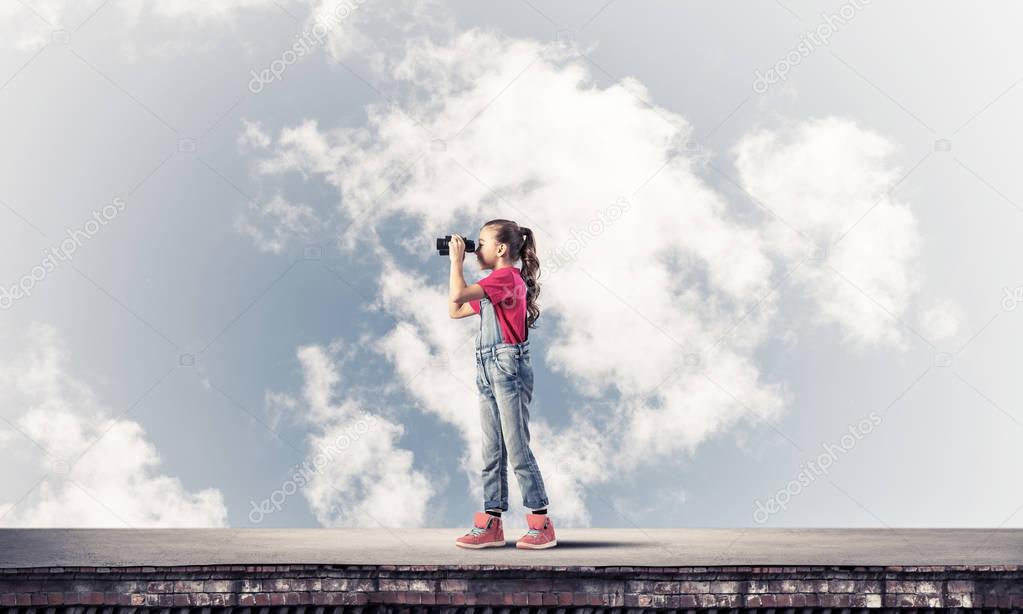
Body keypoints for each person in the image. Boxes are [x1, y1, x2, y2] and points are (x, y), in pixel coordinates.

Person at [447, 219, 556, 550]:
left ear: (501, 249)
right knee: (491, 448)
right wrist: (458, 267)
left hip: (507, 367)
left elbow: (458, 293)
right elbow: (455, 309)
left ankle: (541, 523)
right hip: (486, 368)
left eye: (480, 243)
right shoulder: (494, 285)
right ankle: (492, 522)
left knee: (517, 445)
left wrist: (456, 262)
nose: (474, 249)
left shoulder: (505, 278)